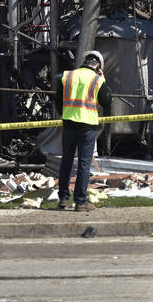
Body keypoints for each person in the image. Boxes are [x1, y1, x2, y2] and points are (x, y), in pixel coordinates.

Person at [55, 50, 112, 212]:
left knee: (66, 161)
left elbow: (58, 100)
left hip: (69, 123)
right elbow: (107, 101)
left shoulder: (68, 76)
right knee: (84, 163)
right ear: (98, 65)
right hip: (87, 125)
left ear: (85, 61)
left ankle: (63, 199)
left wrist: (66, 115)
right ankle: (80, 202)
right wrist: (103, 79)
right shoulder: (97, 79)